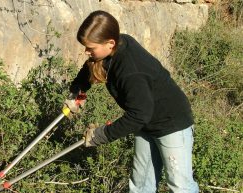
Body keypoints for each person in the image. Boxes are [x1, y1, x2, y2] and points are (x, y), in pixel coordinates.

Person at [64, 10, 199, 193]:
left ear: (110, 43)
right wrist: (76, 93)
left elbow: (139, 115)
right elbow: (91, 67)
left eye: (91, 48)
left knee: (180, 186)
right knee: (140, 185)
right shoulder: (116, 45)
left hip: (171, 124)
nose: (86, 51)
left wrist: (101, 134)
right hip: (146, 123)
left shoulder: (130, 71)